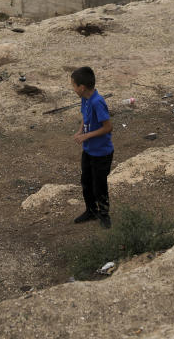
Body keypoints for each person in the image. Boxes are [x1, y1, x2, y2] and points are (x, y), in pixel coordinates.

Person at [70, 66, 114, 229]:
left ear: (82, 87)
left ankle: (104, 215)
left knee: (99, 185)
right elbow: (85, 117)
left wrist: (85, 136)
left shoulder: (97, 102)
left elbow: (108, 127)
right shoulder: (85, 99)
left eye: (74, 86)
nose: (73, 89)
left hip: (102, 153)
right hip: (88, 151)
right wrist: (80, 130)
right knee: (86, 182)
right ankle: (91, 210)